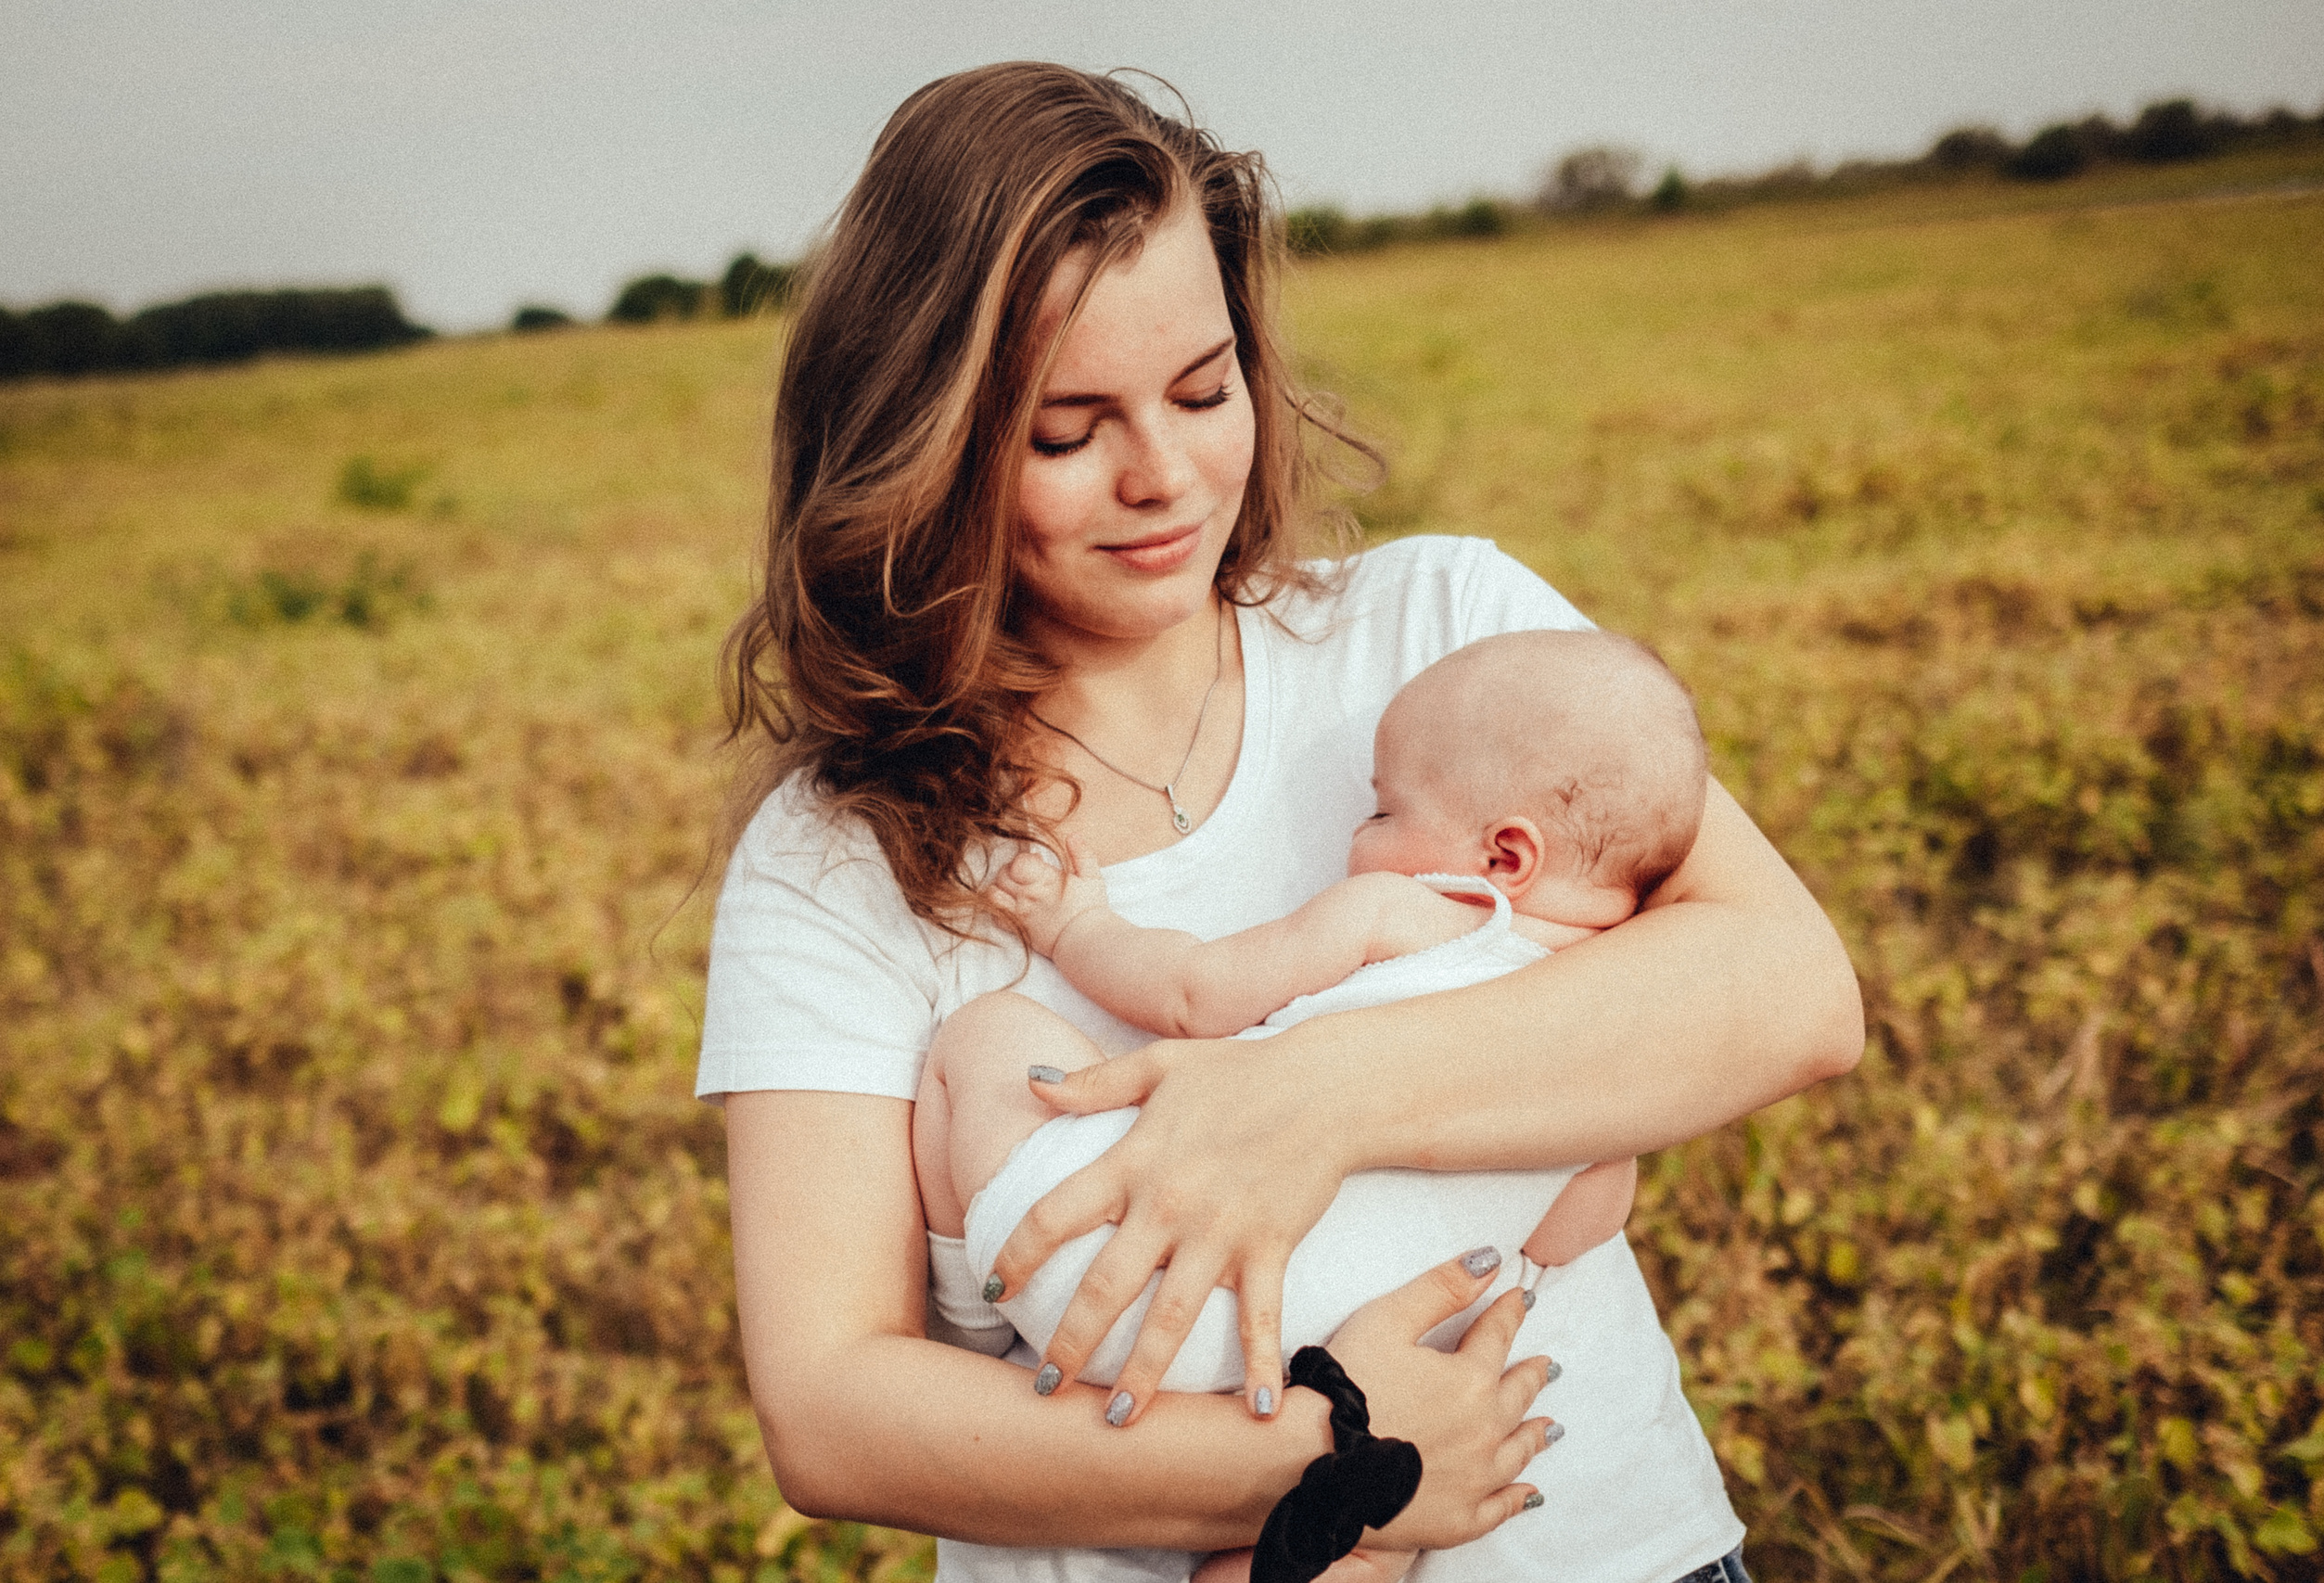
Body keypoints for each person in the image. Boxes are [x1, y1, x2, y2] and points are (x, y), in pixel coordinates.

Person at [699, 60, 1862, 1583]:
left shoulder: (1453, 644)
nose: (1165, 475)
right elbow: (835, 1409)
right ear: (924, 442)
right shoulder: (835, 853)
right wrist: (1341, 1462)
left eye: (1203, 388)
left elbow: (1791, 992)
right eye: (1067, 432)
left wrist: (1303, 1098)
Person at [919, 627, 1706, 1583]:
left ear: (1503, 856)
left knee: (984, 1039)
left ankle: (976, 1311)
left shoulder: (1405, 915)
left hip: (1120, 1267)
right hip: (1333, 1372)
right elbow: (1582, 1223)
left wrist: (1074, 922)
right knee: (1360, 1543)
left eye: (1383, 811)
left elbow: (1194, 995)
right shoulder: (1611, 1050)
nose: (1358, 837)